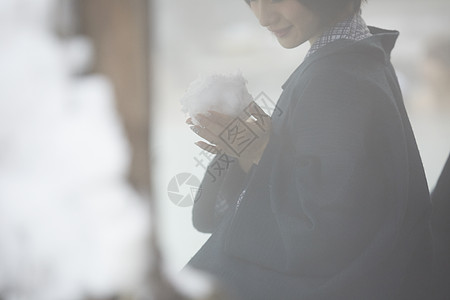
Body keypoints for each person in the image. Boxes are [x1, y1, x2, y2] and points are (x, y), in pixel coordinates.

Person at [186, 0, 432, 299]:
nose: (263, 17)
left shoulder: (338, 79)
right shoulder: (354, 57)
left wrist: (258, 153)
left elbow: (324, 235)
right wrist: (250, 150)